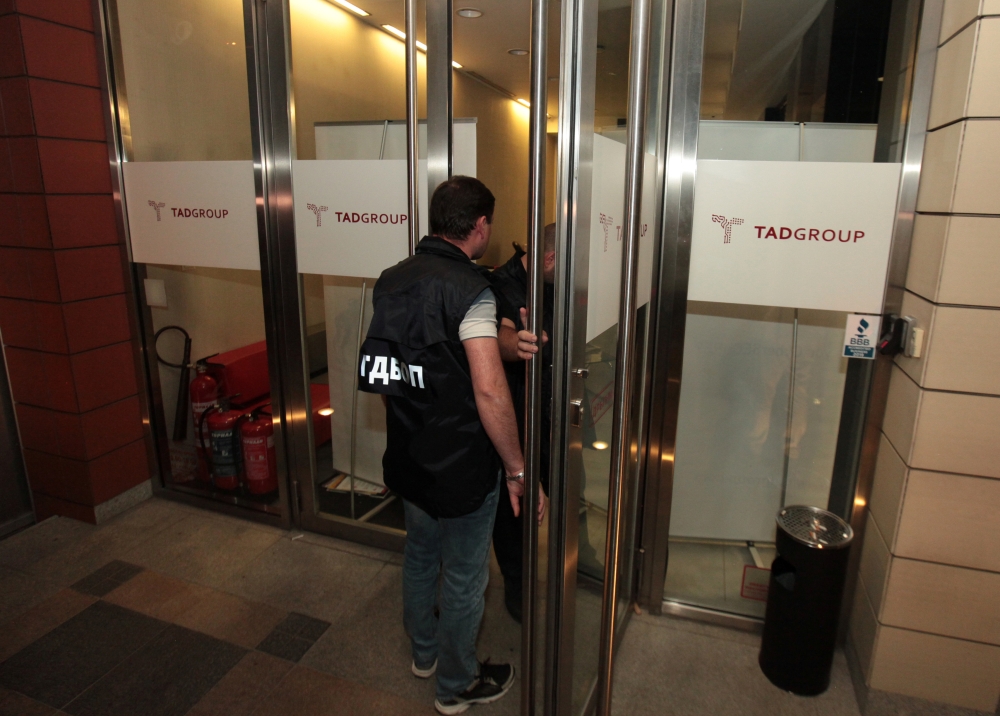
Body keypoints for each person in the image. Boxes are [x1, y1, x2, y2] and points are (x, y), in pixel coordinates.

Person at [357, 176, 526, 715]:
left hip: (411, 458)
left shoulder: (391, 280)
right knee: (464, 577)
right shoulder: (470, 288)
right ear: (479, 227)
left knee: (420, 557)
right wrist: (517, 468)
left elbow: (393, 371)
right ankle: (455, 686)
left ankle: (425, 654)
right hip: (462, 469)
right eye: (488, 225)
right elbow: (488, 389)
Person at [490, 223, 556, 622]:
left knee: (569, 489)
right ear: (549, 258)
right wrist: (520, 345)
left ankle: (580, 562)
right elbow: (501, 336)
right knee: (516, 509)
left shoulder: (558, 280)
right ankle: (517, 587)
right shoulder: (502, 283)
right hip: (523, 413)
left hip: (561, 405)